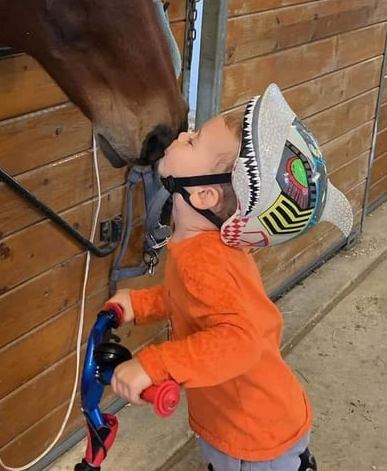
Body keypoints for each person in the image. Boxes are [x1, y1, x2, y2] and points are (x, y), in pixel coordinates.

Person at [107, 83, 354, 471]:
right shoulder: (200, 248)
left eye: (193, 142)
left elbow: (239, 342)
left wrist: (155, 365)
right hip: (256, 420)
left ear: (203, 195)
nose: (184, 135)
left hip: (252, 440)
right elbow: (188, 299)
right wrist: (139, 304)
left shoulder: (204, 260)